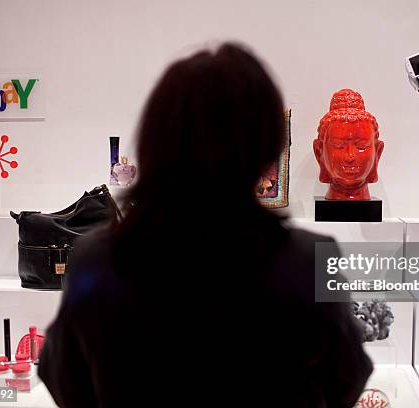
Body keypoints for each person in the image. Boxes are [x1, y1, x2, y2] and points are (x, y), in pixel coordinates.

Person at [39, 43, 372, 407]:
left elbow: (63, 380)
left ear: (154, 139)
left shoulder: (97, 260)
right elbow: (346, 379)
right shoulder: (306, 261)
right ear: (267, 147)